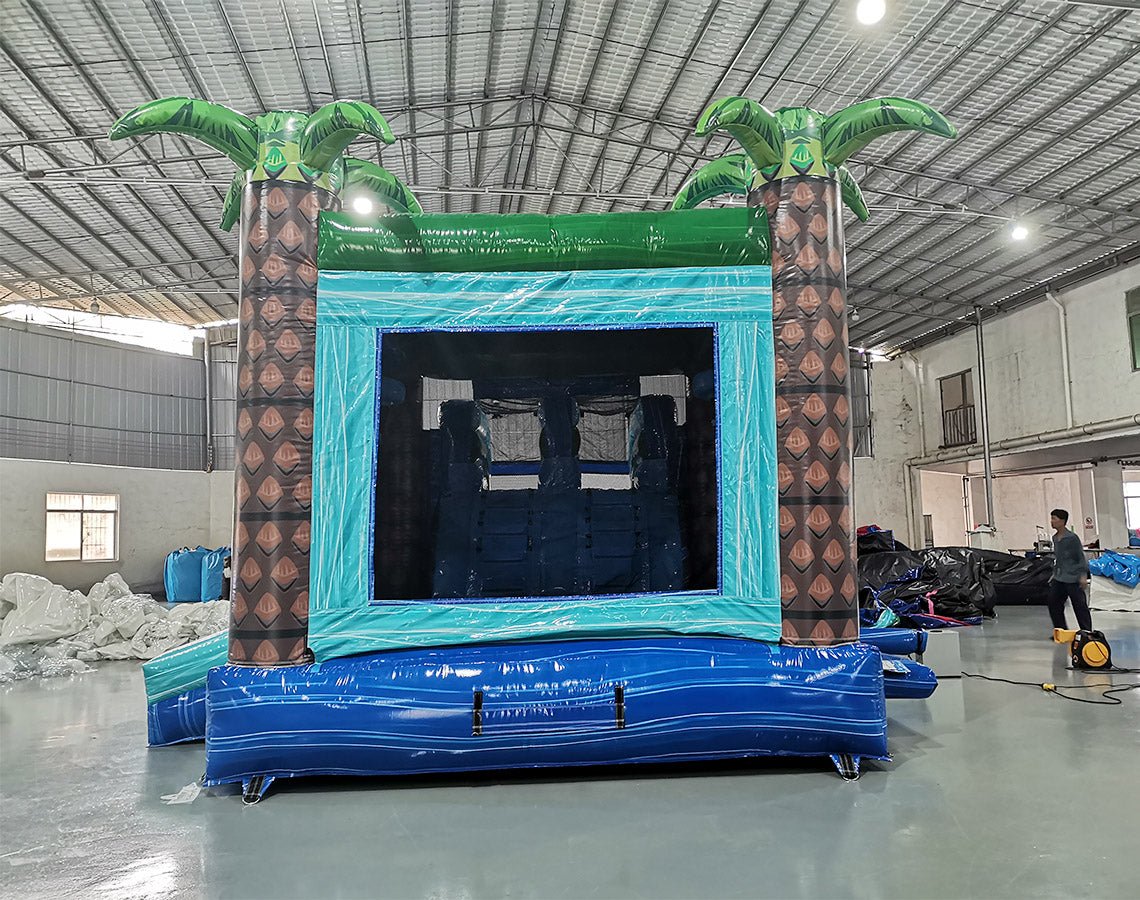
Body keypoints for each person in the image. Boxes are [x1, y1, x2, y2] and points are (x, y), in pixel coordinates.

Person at [1047, 508, 1092, 634]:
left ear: (1062, 521)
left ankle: (1087, 632)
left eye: (1054, 518)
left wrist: (1083, 575)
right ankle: (1061, 631)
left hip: (1073, 577)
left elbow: (1080, 557)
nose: (1052, 521)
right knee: (1053, 602)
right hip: (1059, 577)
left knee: (1079, 606)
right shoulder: (1055, 538)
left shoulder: (1072, 538)